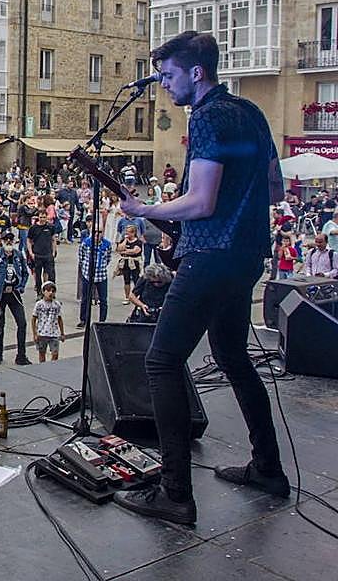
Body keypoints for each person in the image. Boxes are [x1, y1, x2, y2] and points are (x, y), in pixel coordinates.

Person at [116, 30, 288, 526]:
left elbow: (201, 202)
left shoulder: (209, 116)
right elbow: (273, 189)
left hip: (210, 255)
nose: (164, 86)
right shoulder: (251, 113)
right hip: (247, 253)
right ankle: (268, 468)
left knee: (162, 362)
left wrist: (145, 208)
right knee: (234, 357)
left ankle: (175, 494)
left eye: (168, 76)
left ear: (196, 72)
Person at [0, 232, 30, 365]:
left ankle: (21, 355)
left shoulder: (18, 255)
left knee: (22, 323)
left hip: (14, 293)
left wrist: (21, 286)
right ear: (2, 241)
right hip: (0, 294)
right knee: (0, 324)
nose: (9, 241)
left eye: (11, 239)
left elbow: (25, 272)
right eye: (6, 239)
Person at [76, 228, 111, 327]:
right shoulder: (86, 243)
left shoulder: (107, 244)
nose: (97, 234)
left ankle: (102, 321)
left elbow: (108, 258)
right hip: (88, 275)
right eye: (95, 232)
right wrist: (85, 269)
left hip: (101, 275)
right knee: (85, 299)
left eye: (99, 232)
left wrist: (102, 267)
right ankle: (83, 320)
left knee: (103, 300)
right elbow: (81, 257)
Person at [30, 281, 64, 362]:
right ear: (43, 292)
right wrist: (35, 334)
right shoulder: (39, 304)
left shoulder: (57, 305)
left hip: (54, 333)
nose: (51, 293)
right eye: (48, 291)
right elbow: (33, 319)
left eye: (53, 291)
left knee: (55, 354)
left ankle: (52, 367)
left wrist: (62, 333)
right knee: (42, 354)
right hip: (42, 333)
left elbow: (59, 319)